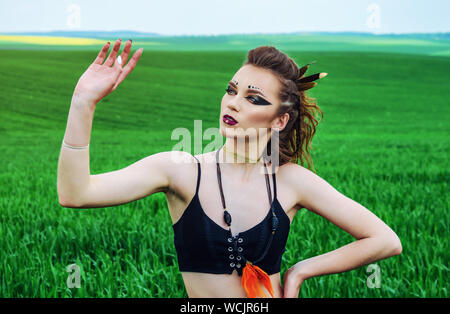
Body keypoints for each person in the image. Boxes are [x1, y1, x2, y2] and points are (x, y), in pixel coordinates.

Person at [57, 38, 402, 298]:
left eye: (253, 99)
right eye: (232, 90)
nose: (233, 103)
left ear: (280, 120)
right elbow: (76, 194)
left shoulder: (291, 181)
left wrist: (299, 272)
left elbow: (384, 240)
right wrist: (82, 102)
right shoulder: (180, 170)